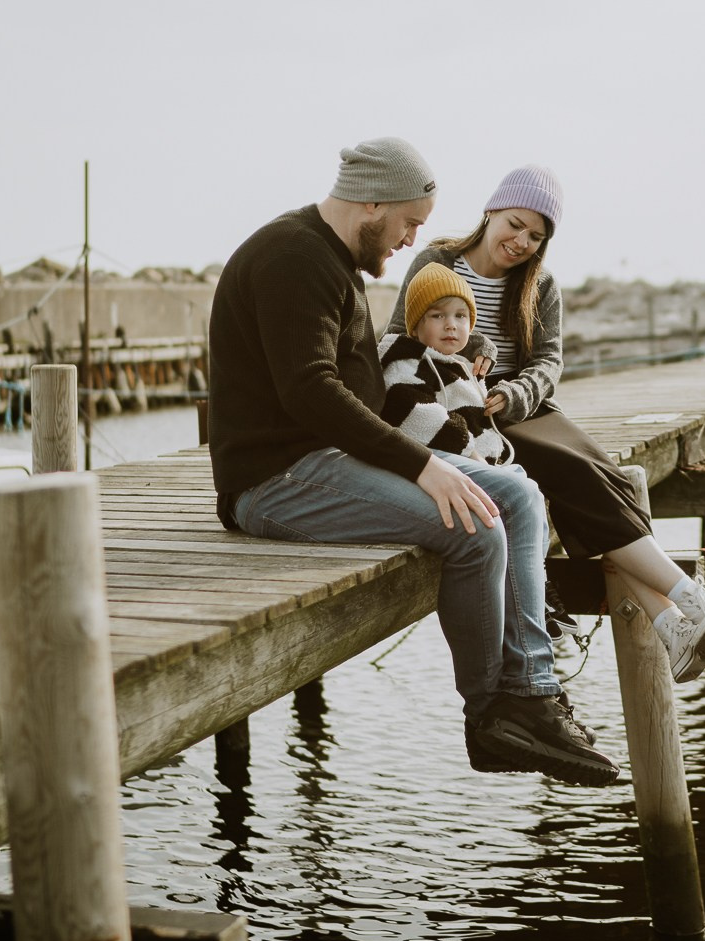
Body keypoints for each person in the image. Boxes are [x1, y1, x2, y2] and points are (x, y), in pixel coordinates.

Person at [207, 138, 618, 786]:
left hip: (327, 460)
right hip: (275, 480)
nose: (412, 240)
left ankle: (532, 693)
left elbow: (366, 389)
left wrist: (452, 396)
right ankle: (491, 714)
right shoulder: (295, 257)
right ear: (372, 201)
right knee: (476, 526)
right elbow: (309, 390)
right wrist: (421, 466)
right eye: (409, 223)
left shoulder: (331, 264)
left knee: (516, 494)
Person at [387, 164, 705, 684]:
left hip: (517, 405)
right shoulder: (436, 262)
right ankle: (692, 603)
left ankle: (678, 626)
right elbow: (398, 340)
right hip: (461, 408)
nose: (521, 241)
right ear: (492, 211)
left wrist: (516, 392)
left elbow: (548, 363)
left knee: (603, 475)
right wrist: (465, 364)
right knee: (579, 478)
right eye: (516, 224)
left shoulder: (539, 284)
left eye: (536, 236)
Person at [377, 262, 511, 465]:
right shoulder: (406, 363)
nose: (451, 325)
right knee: (521, 490)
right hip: (444, 463)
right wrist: (472, 455)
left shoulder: (461, 366)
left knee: (530, 483)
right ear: (415, 327)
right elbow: (419, 415)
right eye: (438, 315)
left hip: (482, 462)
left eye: (460, 316)